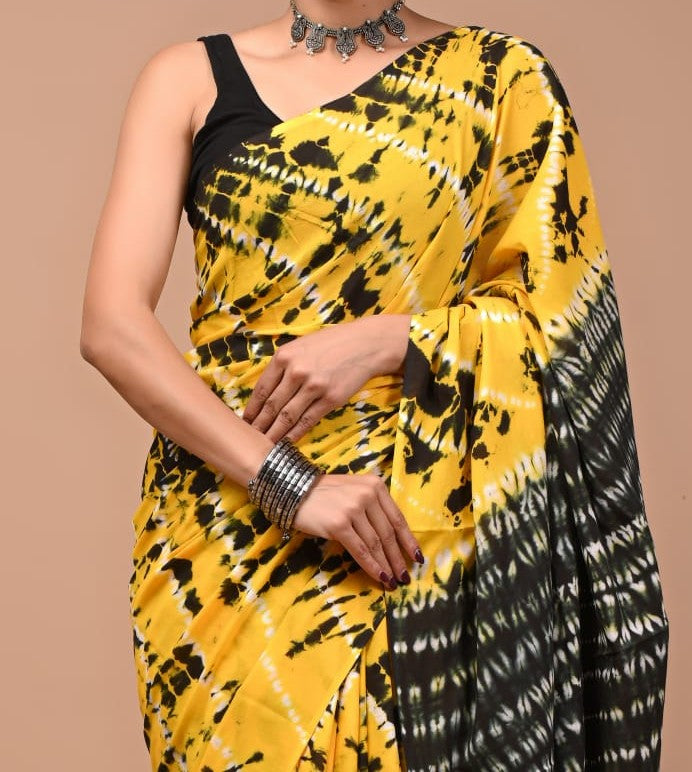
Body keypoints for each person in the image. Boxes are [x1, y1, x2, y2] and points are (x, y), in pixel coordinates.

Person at [80, 0, 669, 769]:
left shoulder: (500, 79)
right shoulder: (186, 79)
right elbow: (112, 325)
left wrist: (393, 338)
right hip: (225, 534)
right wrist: (290, 483)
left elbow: (566, 324)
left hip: (418, 526)